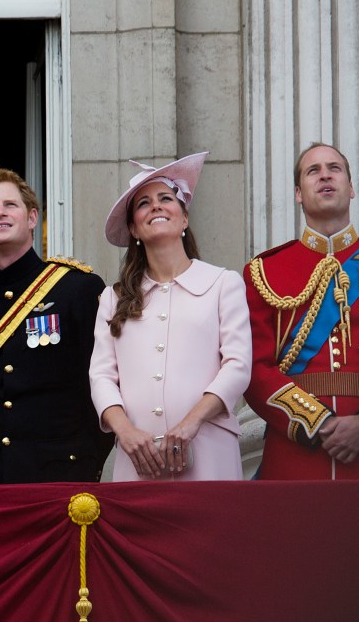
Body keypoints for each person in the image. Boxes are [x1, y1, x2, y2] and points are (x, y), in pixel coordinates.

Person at [89, 152, 251, 481]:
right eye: (144, 204)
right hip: (138, 459)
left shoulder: (223, 283)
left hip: (209, 451)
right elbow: (102, 377)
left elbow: (237, 365)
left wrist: (191, 423)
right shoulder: (113, 297)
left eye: (166, 198)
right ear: (133, 227)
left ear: (184, 218)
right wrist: (126, 433)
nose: (157, 206)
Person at [0, 168, 112, 484]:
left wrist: (88, 461)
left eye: (10, 205)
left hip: (62, 472)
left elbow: (99, 382)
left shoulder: (77, 289)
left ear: (32, 219)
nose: (0, 213)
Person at [244, 142, 359, 479]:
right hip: (295, 449)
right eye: (313, 171)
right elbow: (253, 367)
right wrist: (317, 421)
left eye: (334, 168)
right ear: (298, 193)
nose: (325, 175)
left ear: (351, 188)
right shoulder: (264, 272)